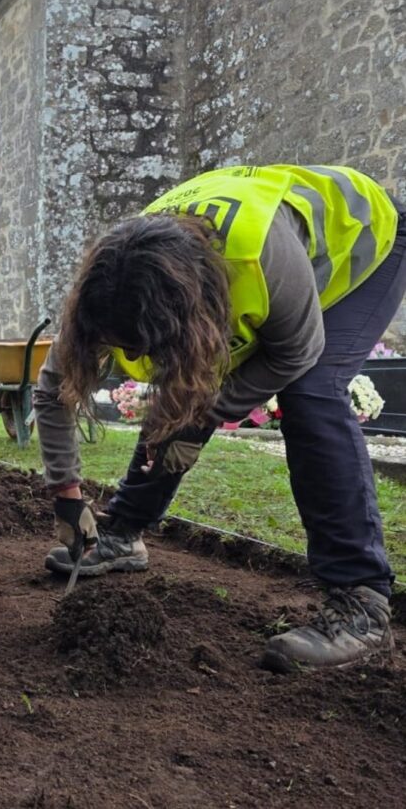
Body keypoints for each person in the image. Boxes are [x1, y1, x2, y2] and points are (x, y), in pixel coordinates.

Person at [33, 164, 405, 671]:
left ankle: (361, 603)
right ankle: (121, 533)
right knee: (186, 392)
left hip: (369, 243)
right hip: (246, 264)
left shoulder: (258, 258)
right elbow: (54, 388)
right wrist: (66, 496)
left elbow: (295, 354)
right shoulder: (118, 274)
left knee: (313, 395)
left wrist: (209, 411)